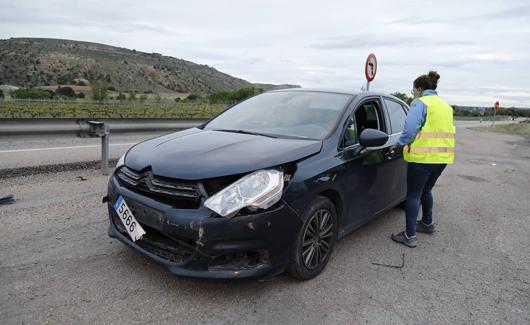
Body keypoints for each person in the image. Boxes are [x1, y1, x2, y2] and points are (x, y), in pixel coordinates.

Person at [389, 71, 456, 248]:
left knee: (413, 194)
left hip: (423, 158)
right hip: (442, 158)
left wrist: (399, 144)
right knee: (427, 190)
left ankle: (410, 235)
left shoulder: (420, 103)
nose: (414, 94)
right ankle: (427, 223)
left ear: (419, 89)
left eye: (413, 91)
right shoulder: (445, 107)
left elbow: (410, 130)